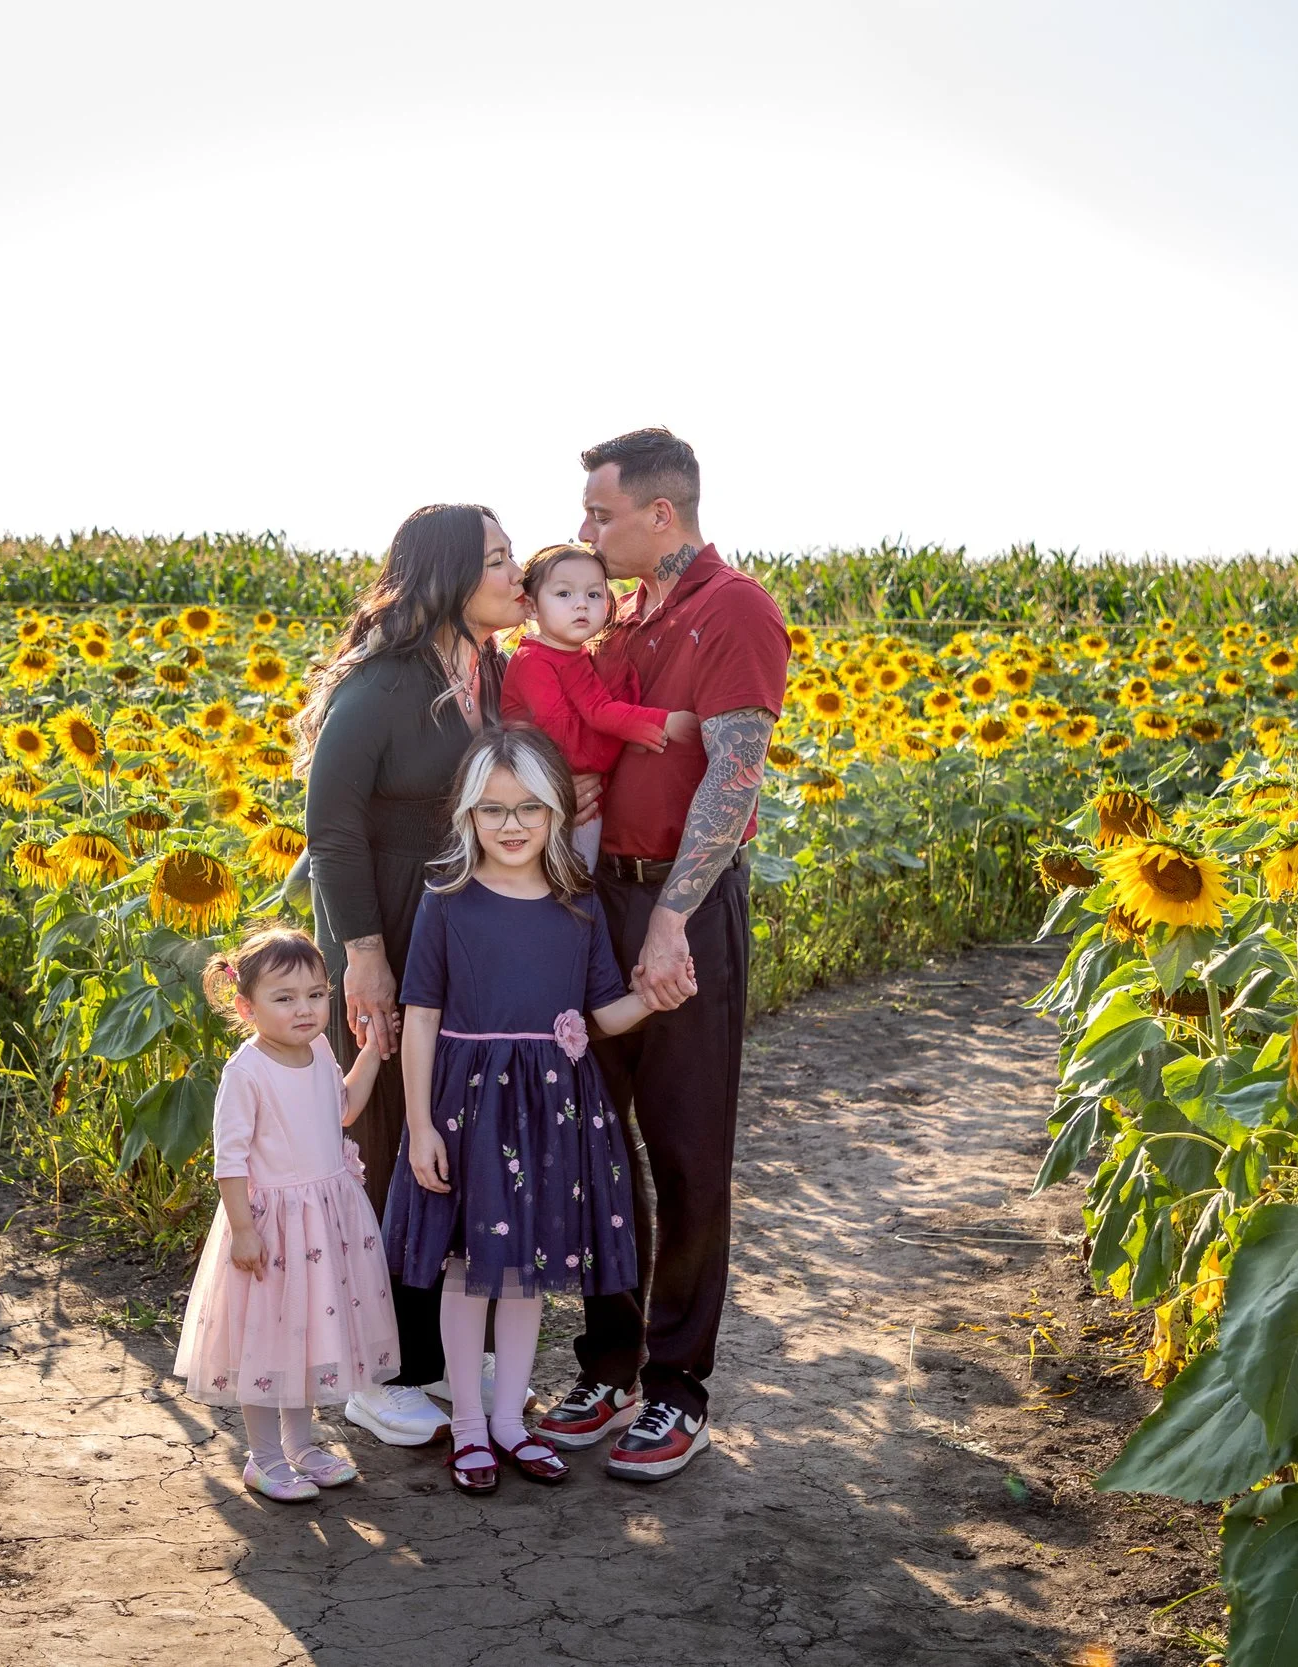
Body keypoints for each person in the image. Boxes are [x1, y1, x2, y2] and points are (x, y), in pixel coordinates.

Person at [537, 428, 790, 1482]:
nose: (586, 532)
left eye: (600, 514)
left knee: (687, 1155)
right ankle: (609, 1361)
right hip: (598, 901)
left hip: (681, 909)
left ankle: (677, 1389)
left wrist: (673, 918)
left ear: (660, 513)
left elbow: (733, 777)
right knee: (599, 1145)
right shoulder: (627, 613)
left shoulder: (736, 608)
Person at [299, 502, 529, 1447]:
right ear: (447, 575)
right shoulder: (386, 682)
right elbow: (332, 821)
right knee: (386, 1140)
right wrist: (363, 957)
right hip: (385, 923)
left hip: (460, 928)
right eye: (500, 560)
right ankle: (370, 1368)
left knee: (451, 1131)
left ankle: (432, 1352)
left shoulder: (491, 673)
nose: (518, 575)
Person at [381, 726, 655, 1492]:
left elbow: (602, 1011)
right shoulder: (449, 905)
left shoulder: (578, 906)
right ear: (468, 815)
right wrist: (420, 1124)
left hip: (550, 1111)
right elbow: (423, 1017)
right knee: (470, 1271)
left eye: (529, 808)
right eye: (493, 809)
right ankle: (468, 1424)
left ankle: (510, 1422)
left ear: (556, 814)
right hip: (468, 1109)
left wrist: (653, 996)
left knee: (526, 1273)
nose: (511, 825)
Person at [173, 927, 400, 1502]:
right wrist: (243, 1231)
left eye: (316, 995)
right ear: (247, 1008)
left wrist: (371, 1051)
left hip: (325, 1221)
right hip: (271, 1226)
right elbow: (229, 1161)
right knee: (269, 1338)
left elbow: (343, 1108)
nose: (305, 1009)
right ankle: (264, 1456)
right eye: (285, 998)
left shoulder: (320, 1049)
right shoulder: (246, 1072)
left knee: (307, 1335)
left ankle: (301, 1446)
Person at [499, 541, 698, 865]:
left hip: (570, 801)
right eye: (564, 594)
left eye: (593, 594)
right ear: (532, 608)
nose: (581, 605)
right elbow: (564, 740)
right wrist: (657, 724)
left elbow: (596, 711)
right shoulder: (533, 661)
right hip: (539, 803)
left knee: (581, 884)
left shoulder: (574, 656)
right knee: (559, 885)